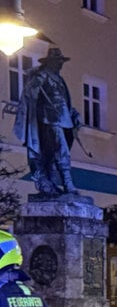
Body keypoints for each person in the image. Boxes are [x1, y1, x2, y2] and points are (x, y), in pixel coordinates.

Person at [13, 47, 82, 197]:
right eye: (57, 61)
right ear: (50, 62)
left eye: (61, 61)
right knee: (60, 149)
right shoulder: (42, 75)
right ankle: (68, 184)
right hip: (49, 120)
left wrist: (73, 114)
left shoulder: (59, 79)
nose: (60, 64)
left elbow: (64, 101)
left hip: (64, 120)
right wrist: (33, 80)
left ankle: (51, 183)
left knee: (52, 154)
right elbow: (30, 93)